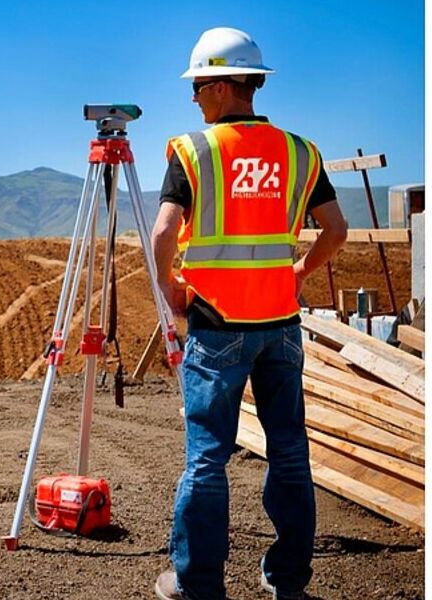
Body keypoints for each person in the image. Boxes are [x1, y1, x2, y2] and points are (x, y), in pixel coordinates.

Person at [150, 27, 348, 600]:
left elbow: (164, 231)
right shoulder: (300, 151)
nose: (193, 98)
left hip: (216, 326)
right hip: (281, 326)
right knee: (289, 450)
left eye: (198, 86)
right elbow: (334, 230)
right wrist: (300, 272)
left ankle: (198, 586)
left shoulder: (194, 149)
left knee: (207, 458)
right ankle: (287, 581)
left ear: (220, 86)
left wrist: (170, 289)